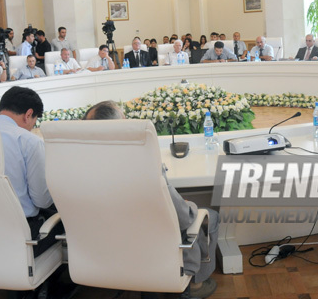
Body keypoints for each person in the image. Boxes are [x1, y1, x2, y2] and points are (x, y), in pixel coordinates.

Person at [82, 101, 219, 298]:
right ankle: (196, 285)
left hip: (107, 248)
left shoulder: (80, 164)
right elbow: (184, 219)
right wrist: (188, 206)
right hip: (154, 247)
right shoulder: (143, 159)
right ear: (120, 125)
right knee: (208, 216)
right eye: (124, 117)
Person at [0, 86, 62, 257]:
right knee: (70, 223)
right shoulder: (29, 141)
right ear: (28, 114)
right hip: (22, 236)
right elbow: (41, 200)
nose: (32, 127)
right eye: (34, 121)